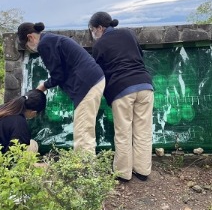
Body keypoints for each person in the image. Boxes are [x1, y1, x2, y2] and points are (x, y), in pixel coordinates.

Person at [17, 22, 105, 154]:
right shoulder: (50, 40)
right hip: (92, 81)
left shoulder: (44, 44)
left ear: (30, 37)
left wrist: (42, 86)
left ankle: (85, 171)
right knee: (84, 129)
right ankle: (85, 167)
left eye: (26, 46)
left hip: (87, 84)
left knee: (82, 132)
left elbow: (58, 75)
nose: (29, 48)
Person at [88, 12, 154, 182]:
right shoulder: (129, 33)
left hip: (121, 89)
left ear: (99, 28)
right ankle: (142, 171)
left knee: (123, 132)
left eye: (92, 30)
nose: (92, 34)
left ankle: (123, 173)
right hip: (145, 85)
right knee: (143, 131)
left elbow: (97, 71)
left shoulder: (99, 45)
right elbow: (140, 55)